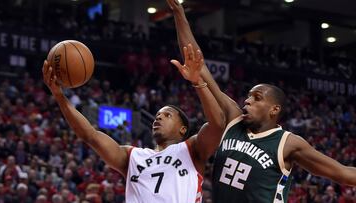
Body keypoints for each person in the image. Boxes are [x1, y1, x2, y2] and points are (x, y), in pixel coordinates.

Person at [166, 0, 356, 202]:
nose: (247, 101)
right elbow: (198, 64)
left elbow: (344, 173)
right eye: (248, 96)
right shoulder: (234, 119)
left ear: (274, 109)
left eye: (256, 98)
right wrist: (180, 14)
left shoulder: (288, 143)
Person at [42, 43, 225, 203]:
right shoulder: (132, 157)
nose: (158, 118)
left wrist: (197, 81)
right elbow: (90, 135)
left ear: (183, 129)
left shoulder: (191, 150)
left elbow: (218, 124)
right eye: (157, 116)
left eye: (167, 115)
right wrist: (59, 96)